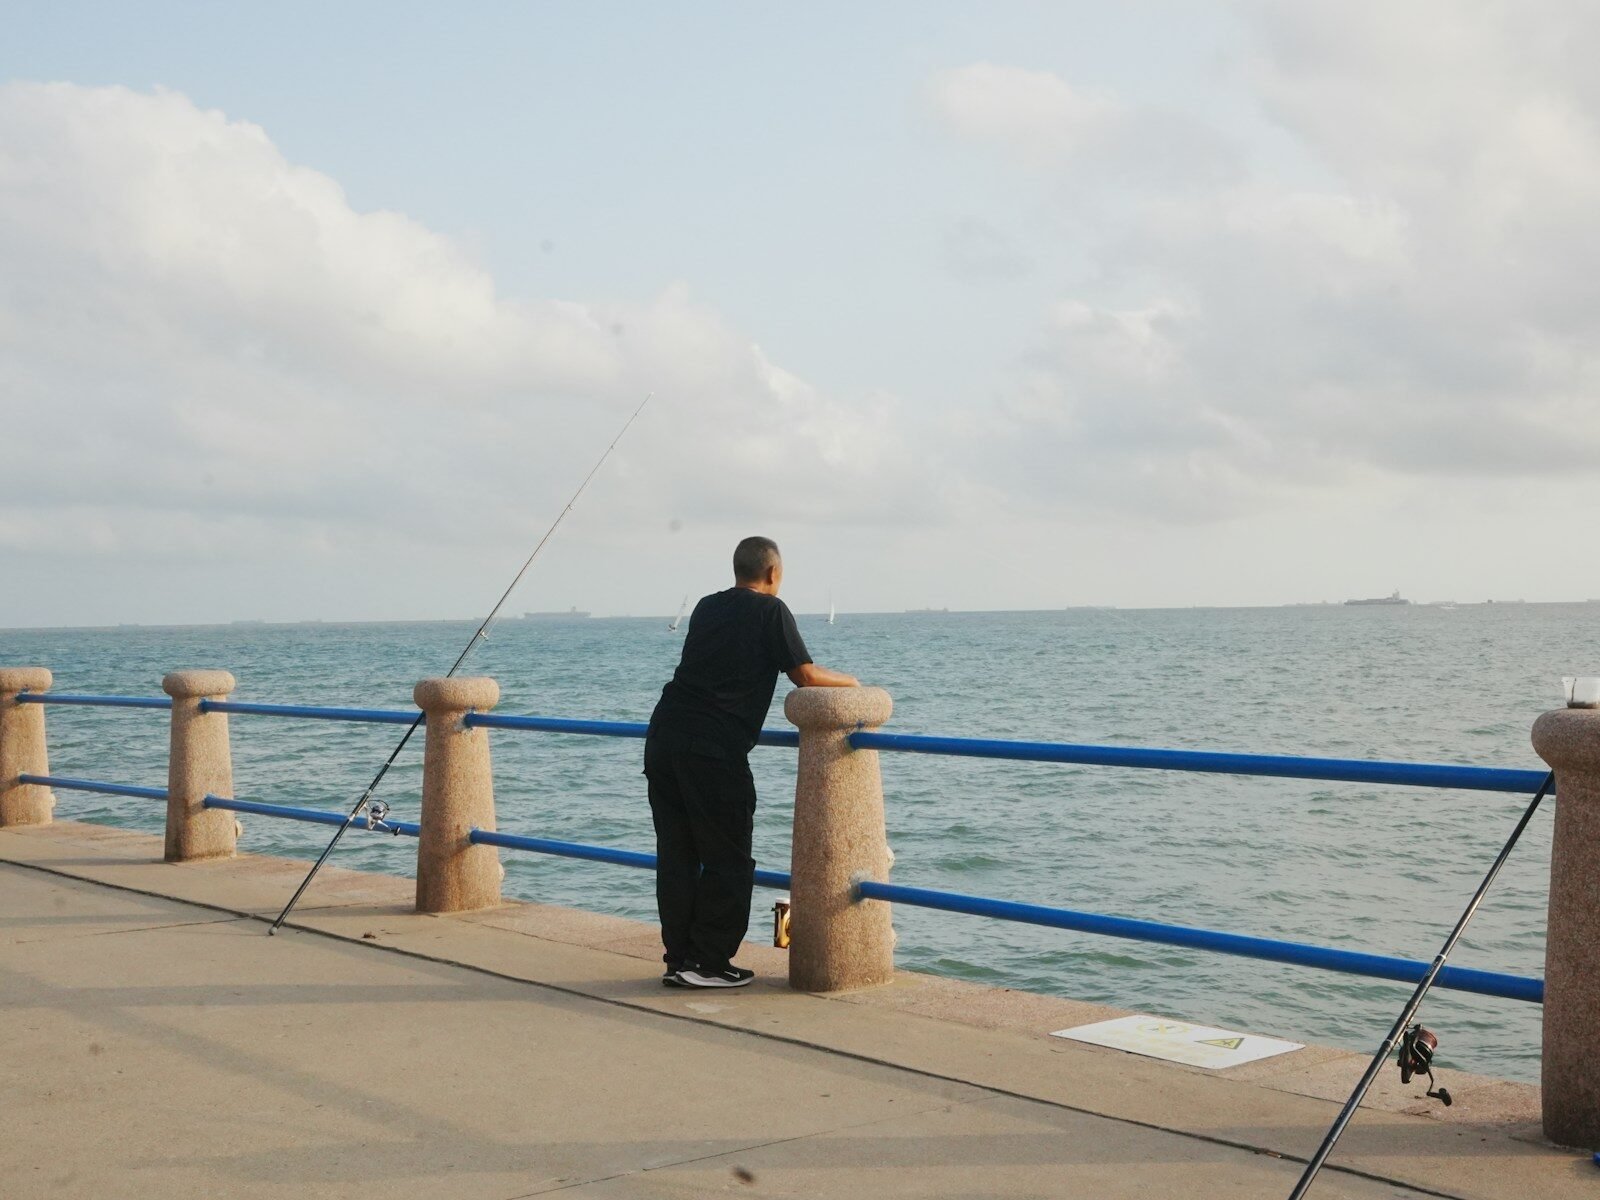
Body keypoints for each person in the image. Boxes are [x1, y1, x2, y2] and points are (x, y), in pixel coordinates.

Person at [644, 536, 858, 988]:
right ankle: (707, 963)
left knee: (678, 855)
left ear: (736, 569)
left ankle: (680, 958)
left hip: (664, 736)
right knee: (729, 859)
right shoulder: (770, 611)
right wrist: (854, 683)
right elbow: (805, 674)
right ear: (774, 574)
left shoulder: (706, 607)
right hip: (713, 748)